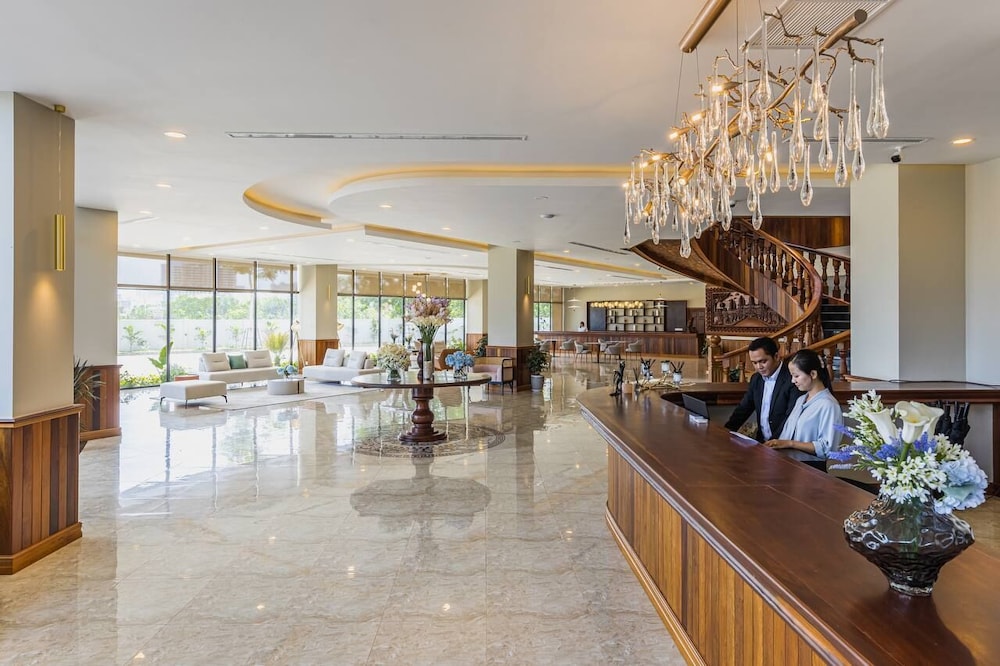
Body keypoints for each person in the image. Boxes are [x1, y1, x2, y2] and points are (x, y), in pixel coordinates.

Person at [764, 349, 843, 461]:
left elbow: (827, 448)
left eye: (796, 376)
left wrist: (791, 443)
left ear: (813, 374)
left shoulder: (829, 405)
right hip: (788, 463)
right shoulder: (800, 400)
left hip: (810, 468)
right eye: (792, 376)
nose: (793, 381)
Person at [723, 337, 802, 442]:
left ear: (776, 356)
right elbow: (743, 409)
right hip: (762, 442)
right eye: (754, 363)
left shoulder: (792, 379)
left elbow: (790, 418)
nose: (759, 367)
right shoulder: (756, 379)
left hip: (783, 444)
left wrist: (773, 444)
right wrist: (724, 432)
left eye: (763, 361)